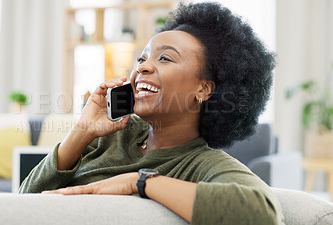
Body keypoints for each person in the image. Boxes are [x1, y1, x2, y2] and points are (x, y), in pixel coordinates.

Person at [19, 2, 283, 224]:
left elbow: (263, 214)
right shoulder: (111, 135)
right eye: (142, 59)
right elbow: (21, 203)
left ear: (203, 89)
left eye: (165, 58)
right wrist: (81, 132)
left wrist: (140, 183)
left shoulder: (202, 164)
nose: (143, 68)